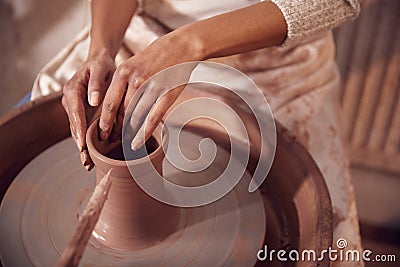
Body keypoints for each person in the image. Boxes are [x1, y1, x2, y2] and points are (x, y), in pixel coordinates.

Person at [32, 0, 364, 266]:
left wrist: (190, 44)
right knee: (67, 103)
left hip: (273, 56)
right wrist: (101, 49)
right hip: (148, 37)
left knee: (327, 241)